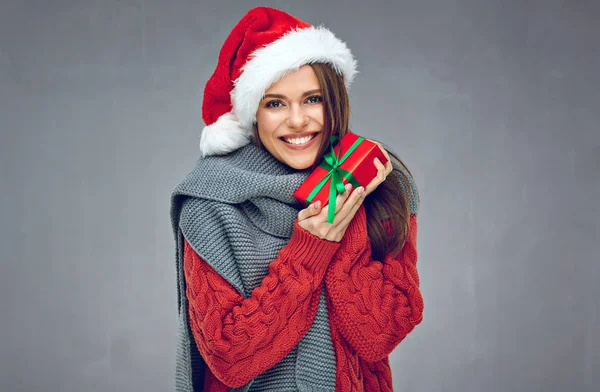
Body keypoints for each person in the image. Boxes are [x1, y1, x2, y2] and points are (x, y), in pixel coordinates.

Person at [170, 6, 423, 392]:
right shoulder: (210, 203)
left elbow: (381, 333)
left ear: (334, 100)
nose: (298, 121)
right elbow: (229, 359)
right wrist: (310, 249)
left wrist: (344, 211)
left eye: (312, 99)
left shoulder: (379, 182)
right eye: (275, 103)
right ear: (252, 113)